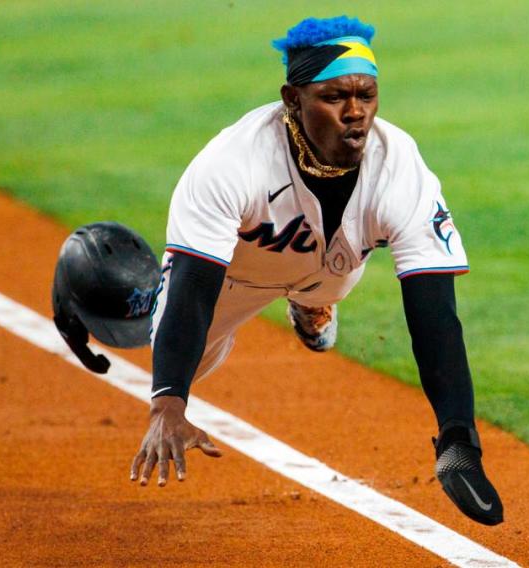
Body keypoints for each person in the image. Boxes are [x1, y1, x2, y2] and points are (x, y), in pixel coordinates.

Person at [128, 16, 503, 525]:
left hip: (332, 269)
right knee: (150, 348)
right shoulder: (232, 162)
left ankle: (312, 306)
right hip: (228, 281)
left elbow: (434, 313)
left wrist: (458, 436)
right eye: (334, 97)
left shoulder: (400, 167)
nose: (356, 113)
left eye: (366, 95)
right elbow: (193, 288)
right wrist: (169, 401)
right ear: (292, 98)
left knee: (335, 267)